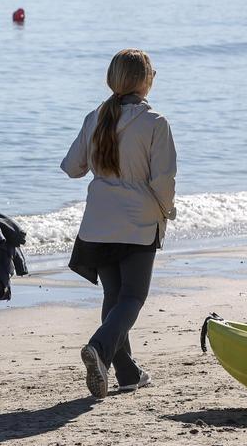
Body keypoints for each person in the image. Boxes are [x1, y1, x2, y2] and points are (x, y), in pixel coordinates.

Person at [60, 48, 176, 399]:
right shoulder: (155, 122)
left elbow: (72, 167)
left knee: (114, 296)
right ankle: (99, 347)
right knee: (133, 297)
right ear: (145, 80)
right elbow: (163, 181)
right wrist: (167, 212)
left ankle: (127, 373)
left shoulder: (96, 116)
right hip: (138, 221)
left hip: (98, 221)